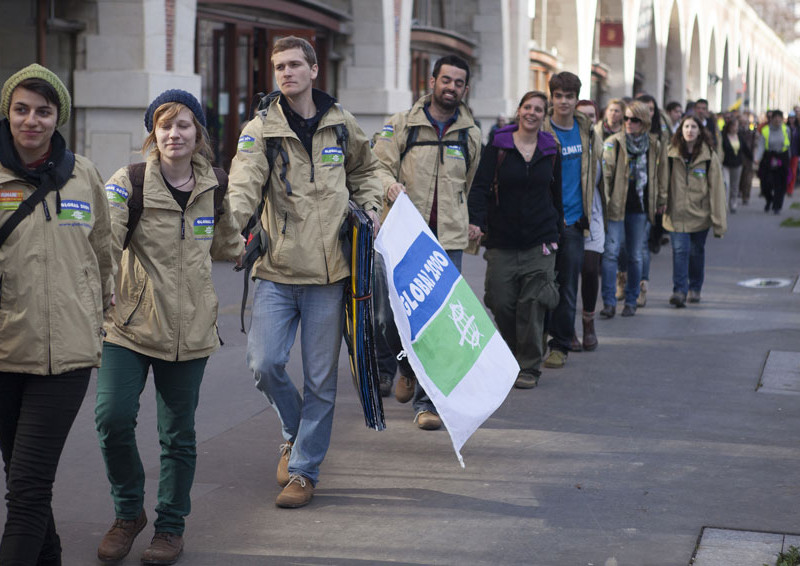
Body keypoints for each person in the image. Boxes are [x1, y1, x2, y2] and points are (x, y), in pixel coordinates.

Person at [226, 36, 382, 509]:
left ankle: (303, 471)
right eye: (279, 67)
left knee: (321, 381)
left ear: (314, 70)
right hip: (276, 270)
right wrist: (232, 228)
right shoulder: (261, 129)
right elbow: (243, 182)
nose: (286, 73)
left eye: (295, 65)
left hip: (332, 275)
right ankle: (296, 432)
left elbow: (368, 169)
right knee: (265, 364)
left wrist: (370, 207)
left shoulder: (340, 123)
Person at [94, 90, 243, 564]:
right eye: (164, 126)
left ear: (199, 132)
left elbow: (226, 244)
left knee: (178, 436)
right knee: (112, 420)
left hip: (193, 329)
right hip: (129, 326)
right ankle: (126, 513)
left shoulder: (213, 186)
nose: (173, 134)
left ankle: (170, 528)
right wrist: (102, 282)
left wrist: (249, 246)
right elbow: (108, 237)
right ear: (152, 135)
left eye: (183, 125)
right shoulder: (130, 182)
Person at [0, 64, 113, 565]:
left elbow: (102, 252)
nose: (31, 120)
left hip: (66, 354)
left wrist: (100, 315)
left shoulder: (83, 173)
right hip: (4, 349)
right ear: (8, 112)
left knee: (26, 486)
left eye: (43, 111)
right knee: (23, 478)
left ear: (57, 117)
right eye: (21, 109)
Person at [372, 54, 481, 428]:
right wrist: (390, 187)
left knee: (438, 324)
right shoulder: (401, 125)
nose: (451, 87)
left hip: (446, 242)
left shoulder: (470, 134)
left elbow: (471, 182)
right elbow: (378, 166)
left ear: (465, 89)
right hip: (402, 237)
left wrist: (468, 221)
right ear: (432, 81)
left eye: (458, 83)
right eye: (445, 80)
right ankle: (406, 366)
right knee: (387, 318)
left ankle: (427, 404)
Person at [468, 91, 562, 389]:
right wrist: (477, 221)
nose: (532, 113)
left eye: (538, 109)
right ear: (518, 111)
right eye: (527, 107)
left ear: (543, 115)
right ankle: (513, 352)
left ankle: (529, 365)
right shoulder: (497, 145)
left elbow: (556, 193)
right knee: (500, 300)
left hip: (540, 240)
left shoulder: (550, 149)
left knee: (533, 303)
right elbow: (481, 187)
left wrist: (558, 233)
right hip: (502, 240)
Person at [541, 71, 600, 369]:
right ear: (551, 97)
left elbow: (597, 173)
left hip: (575, 223)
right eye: (559, 96)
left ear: (577, 100)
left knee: (567, 288)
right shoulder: (539, 128)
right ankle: (538, 335)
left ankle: (560, 344)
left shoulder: (587, 130)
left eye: (569, 96)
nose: (563, 102)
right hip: (543, 222)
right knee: (540, 283)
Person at [599, 101, 667, 318]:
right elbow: (606, 175)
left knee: (635, 255)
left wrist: (661, 200)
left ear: (644, 122)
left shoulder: (655, 145)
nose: (628, 123)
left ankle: (631, 300)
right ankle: (609, 302)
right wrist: (605, 201)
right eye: (626, 119)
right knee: (611, 253)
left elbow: (662, 175)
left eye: (634, 120)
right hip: (615, 206)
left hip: (640, 207)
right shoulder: (613, 143)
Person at [662, 115, 726, 307]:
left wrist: (718, 220)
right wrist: (661, 202)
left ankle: (695, 288)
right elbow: (662, 181)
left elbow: (717, 190)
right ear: (681, 130)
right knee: (680, 251)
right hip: (676, 214)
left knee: (696, 252)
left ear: (700, 131)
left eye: (694, 127)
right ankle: (679, 291)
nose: (690, 130)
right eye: (686, 126)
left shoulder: (709, 157)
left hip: (700, 215)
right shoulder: (670, 155)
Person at [575, 99, 604, 351]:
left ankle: (588, 322)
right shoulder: (566, 141)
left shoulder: (601, 143)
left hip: (594, 216)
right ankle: (565, 329)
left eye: (591, 115)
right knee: (567, 274)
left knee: (591, 269)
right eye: (582, 115)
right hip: (570, 217)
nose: (587, 119)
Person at [756, 109, 790, 214]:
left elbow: (789, 144)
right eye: (775, 118)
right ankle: (769, 199)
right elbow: (761, 145)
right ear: (772, 119)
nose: (777, 120)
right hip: (769, 157)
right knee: (766, 183)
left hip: (782, 157)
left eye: (779, 118)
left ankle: (777, 206)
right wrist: (757, 157)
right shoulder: (765, 130)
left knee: (780, 184)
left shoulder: (786, 129)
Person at [720, 113, 753, 214]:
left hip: (737, 164)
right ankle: (724, 205)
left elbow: (746, 149)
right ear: (729, 127)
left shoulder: (739, 137)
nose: (735, 128)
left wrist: (753, 158)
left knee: (735, 186)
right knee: (726, 184)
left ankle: (733, 204)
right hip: (725, 164)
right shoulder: (723, 136)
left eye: (737, 126)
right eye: (734, 126)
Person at [738, 111, 758, 205]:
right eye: (741, 122)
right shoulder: (736, 131)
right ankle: (740, 192)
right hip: (738, 158)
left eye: (744, 122)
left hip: (748, 158)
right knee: (740, 178)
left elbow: (755, 145)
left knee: (748, 178)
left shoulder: (752, 132)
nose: (743, 124)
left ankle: (746, 196)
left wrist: (755, 156)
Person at [786, 112, 800, 197]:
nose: (791, 119)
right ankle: (785, 187)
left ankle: (790, 190)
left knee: (793, 172)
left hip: (795, 153)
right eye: (790, 118)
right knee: (786, 171)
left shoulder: (798, 129)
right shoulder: (785, 128)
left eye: (793, 118)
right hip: (786, 153)